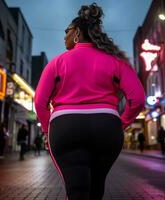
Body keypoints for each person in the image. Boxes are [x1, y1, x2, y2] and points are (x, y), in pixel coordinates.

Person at [34, 3, 145, 200]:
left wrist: (46, 129)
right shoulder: (116, 62)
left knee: (76, 190)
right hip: (106, 126)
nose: (64, 36)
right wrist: (122, 123)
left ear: (77, 33)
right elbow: (137, 99)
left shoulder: (57, 62)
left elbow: (40, 102)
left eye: (66, 31)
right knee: (96, 187)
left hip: (65, 127)